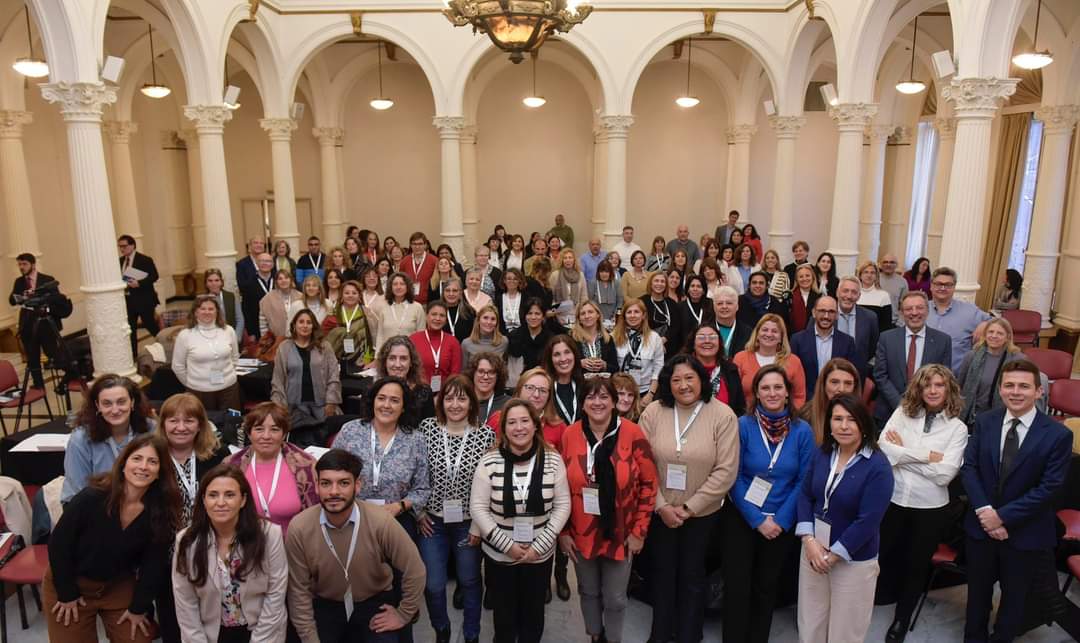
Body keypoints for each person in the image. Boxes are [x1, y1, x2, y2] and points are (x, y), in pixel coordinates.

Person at [960, 360, 1072, 642]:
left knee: (1014, 601)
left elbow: (1050, 488)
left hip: (1025, 533)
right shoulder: (985, 422)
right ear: (1000, 389)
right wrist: (986, 512)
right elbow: (969, 468)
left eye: (1024, 386)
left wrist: (1003, 517)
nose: (1016, 392)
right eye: (1009, 385)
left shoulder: (1058, 434)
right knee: (977, 597)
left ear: (1039, 392)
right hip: (981, 529)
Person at [639, 354, 739, 643]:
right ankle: (660, 633)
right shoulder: (654, 413)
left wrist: (687, 508)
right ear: (667, 384)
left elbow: (726, 470)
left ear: (702, 380)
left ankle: (689, 634)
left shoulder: (722, 415)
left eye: (689, 378)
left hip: (702, 515)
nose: (683, 385)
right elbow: (641, 464)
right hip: (661, 512)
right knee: (662, 574)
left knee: (693, 577)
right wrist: (661, 506)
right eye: (676, 379)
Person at [44, 433, 181, 643]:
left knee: (137, 638)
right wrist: (67, 593)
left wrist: (138, 608)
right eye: (137, 458)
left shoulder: (160, 511)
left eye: (152, 461)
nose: (143, 466)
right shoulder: (92, 497)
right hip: (71, 581)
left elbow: (153, 564)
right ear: (123, 463)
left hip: (116, 586)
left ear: (160, 472)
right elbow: (58, 545)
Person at [285, 449, 426, 642]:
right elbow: (298, 591)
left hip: (373, 602)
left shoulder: (381, 521)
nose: (334, 491)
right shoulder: (300, 527)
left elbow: (415, 569)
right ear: (316, 486)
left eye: (343, 483)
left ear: (357, 486)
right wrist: (310, 639)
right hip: (327, 605)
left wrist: (403, 614)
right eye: (326, 483)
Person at [559, 377, 658, 643]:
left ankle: (613, 638)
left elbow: (650, 483)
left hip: (621, 532)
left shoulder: (633, 433)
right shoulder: (570, 435)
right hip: (581, 531)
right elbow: (560, 489)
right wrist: (564, 532)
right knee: (588, 590)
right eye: (590, 397)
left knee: (614, 597)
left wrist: (639, 531)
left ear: (615, 402)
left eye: (604, 396)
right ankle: (594, 635)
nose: (597, 402)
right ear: (582, 404)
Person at [723, 366, 815, 643]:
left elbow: (804, 481)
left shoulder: (802, 431)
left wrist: (780, 521)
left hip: (781, 521)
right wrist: (757, 519)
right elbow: (733, 475)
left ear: (787, 392)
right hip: (742, 516)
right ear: (756, 394)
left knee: (766, 587)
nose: (772, 393)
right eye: (766, 388)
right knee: (738, 586)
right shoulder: (743, 426)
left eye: (778, 387)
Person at [876, 364, 968, 641]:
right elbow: (884, 448)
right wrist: (928, 455)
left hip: (930, 508)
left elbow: (944, 475)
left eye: (939, 385)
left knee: (916, 566)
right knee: (881, 556)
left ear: (948, 389)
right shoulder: (902, 413)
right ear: (919, 387)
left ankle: (901, 621)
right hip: (893, 500)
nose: (932, 390)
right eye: (927, 385)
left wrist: (902, 453)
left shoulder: (958, 428)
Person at [469, 399, 571, 643]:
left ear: (536, 425)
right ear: (503, 429)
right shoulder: (489, 461)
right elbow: (479, 508)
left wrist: (539, 546)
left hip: (540, 555)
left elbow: (563, 505)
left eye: (525, 421)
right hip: (500, 556)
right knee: (503, 620)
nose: (519, 427)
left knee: (533, 617)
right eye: (511, 422)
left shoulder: (553, 460)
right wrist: (508, 546)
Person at [795, 394, 893, 643]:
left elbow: (868, 520)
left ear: (863, 423)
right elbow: (805, 495)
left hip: (853, 563)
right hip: (813, 553)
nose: (844, 426)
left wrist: (834, 555)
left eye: (851, 419)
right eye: (837, 419)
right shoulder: (822, 453)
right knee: (811, 624)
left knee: (845, 633)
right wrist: (809, 541)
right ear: (828, 423)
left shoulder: (878, 466)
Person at [171, 465, 288, 643]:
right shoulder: (187, 541)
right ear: (203, 500)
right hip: (211, 634)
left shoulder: (269, 534)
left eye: (230, 495)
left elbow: (275, 594)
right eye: (213, 495)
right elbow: (186, 604)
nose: (220, 502)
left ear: (243, 500)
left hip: (261, 631)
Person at [418, 376, 495, 643]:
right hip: (432, 522)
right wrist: (418, 512)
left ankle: (472, 634)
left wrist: (478, 524)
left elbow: (491, 485)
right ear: (440, 401)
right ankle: (442, 629)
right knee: (433, 584)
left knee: (470, 581)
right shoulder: (426, 428)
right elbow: (416, 474)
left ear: (471, 402)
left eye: (462, 398)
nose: (455, 404)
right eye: (449, 397)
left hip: (468, 523)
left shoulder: (485, 434)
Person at [334, 377, 431, 539]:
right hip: (352, 515)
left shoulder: (416, 440)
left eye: (394, 400)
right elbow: (332, 472)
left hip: (396, 518)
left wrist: (399, 506)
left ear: (404, 407)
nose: (386, 405)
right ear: (373, 402)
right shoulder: (350, 431)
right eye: (381, 398)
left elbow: (422, 489)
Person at [226, 402, 320, 531]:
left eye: (274, 429)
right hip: (244, 544)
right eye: (259, 429)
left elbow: (316, 516)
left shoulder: (306, 465)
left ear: (284, 434)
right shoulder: (231, 465)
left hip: (292, 546)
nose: (266, 436)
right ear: (249, 433)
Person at [62, 374, 154, 503]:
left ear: (132, 402)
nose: (115, 410)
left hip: (142, 505)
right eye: (107, 404)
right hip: (96, 509)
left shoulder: (151, 430)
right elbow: (77, 494)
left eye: (121, 402)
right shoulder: (81, 439)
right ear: (97, 405)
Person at [873, 291, 953, 425]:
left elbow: (944, 379)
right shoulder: (887, 338)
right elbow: (880, 375)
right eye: (909, 309)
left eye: (919, 308)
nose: (914, 313)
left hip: (928, 413)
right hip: (890, 412)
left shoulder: (943, 341)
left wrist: (921, 405)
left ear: (927, 311)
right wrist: (901, 405)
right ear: (901, 312)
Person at [272, 308, 342, 431]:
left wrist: (331, 402)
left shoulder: (324, 347)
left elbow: (334, 375)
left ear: (313, 326)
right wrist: (280, 407)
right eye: (301, 322)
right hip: (294, 408)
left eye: (309, 322)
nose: (305, 326)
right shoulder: (284, 347)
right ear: (294, 325)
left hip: (322, 406)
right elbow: (278, 380)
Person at [957, 317, 1032, 426]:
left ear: (1008, 337)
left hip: (1004, 417)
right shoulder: (972, 356)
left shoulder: (1018, 359)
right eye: (991, 332)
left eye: (1000, 333)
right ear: (985, 334)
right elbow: (960, 386)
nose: (994, 336)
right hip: (971, 416)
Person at [172, 295, 241, 412]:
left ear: (217, 312)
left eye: (211, 309)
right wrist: (192, 383)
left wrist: (228, 376)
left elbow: (235, 357)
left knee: (232, 423)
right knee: (204, 427)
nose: (207, 312)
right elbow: (177, 366)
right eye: (203, 309)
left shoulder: (228, 330)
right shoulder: (185, 335)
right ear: (195, 312)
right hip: (199, 392)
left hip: (229, 389)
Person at [9, 252, 62, 389]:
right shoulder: (19, 282)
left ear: (33, 264)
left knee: (53, 352)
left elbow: (56, 298)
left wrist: (39, 296)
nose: (21, 267)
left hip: (45, 323)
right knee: (32, 357)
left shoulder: (47, 279)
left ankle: (67, 377)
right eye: (19, 264)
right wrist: (21, 296)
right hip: (28, 324)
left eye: (24, 264)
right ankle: (38, 385)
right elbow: (11, 300)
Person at [732, 314, 808, 409]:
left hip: (783, 420)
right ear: (757, 334)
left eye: (774, 331)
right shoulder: (741, 358)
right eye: (765, 330)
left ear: (781, 337)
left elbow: (799, 396)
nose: (769, 334)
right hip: (748, 418)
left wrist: (789, 418)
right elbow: (733, 393)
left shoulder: (793, 361)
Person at [789, 296, 862, 394]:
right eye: (822, 311)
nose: (826, 316)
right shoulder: (797, 340)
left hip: (837, 399)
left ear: (836, 315)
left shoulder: (847, 342)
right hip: (806, 401)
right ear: (814, 313)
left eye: (831, 312)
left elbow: (852, 376)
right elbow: (792, 376)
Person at [926, 266, 993, 371]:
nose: (943, 288)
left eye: (948, 285)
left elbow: (1000, 323)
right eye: (938, 284)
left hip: (955, 379)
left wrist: (985, 324)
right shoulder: (920, 309)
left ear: (954, 287)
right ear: (931, 286)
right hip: (922, 376)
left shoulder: (969, 312)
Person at [684, 323, 746, 415]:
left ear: (719, 343)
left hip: (724, 426)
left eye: (712, 337)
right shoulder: (681, 368)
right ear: (693, 343)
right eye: (701, 337)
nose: (707, 341)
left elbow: (739, 408)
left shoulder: (730, 370)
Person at [800, 358, 862, 445]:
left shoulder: (862, 418)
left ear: (855, 387)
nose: (841, 389)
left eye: (848, 383)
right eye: (834, 382)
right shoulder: (806, 416)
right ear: (824, 384)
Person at [613, 299, 664, 402]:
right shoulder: (614, 337)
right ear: (624, 316)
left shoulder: (654, 338)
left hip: (645, 392)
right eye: (629, 312)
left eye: (636, 312)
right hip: (619, 392)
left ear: (643, 315)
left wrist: (651, 394)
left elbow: (658, 368)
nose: (632, 315)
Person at [375, 336, 437, 420]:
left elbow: (429, 428)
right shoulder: (374, 390)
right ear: (385, 362)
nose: (397, 364)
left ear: (411, 362)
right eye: (392, 358)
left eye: (403, 359)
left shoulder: (424, 393)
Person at [118, 234, 160, 355]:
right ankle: (133, 355)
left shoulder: (145, 259)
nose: (122, 249)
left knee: (149, 324)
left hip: (143, 299)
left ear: (132, 246)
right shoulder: (120, 261)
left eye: (124, 246)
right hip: (128, 300)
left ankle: (165, 344)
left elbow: (154, 276)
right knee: (130, 329)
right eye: (120, 246)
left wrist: (139, 283)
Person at [410, 300, 463, 392]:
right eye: (434, 314)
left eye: (442, 315)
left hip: (444, 394)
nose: (437, 318)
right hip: (417, 392)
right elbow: (409, 370)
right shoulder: (413, 339)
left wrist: (444, 394)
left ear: (446, 320)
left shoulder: (453, 342)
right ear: (426, 317)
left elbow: (455, 374)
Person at [835, 275, 881, 372]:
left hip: (858, 374)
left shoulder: (870, 317)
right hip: (830, 371)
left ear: (859, 296)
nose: (849, 296)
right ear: (837, 293)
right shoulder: (825, 314)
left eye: (854, 292)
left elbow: (872, 347)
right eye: (845, 291)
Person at [323, 279, 374, 365]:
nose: (350, 295)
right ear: (342, 296)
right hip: (335, 360)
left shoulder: (367, 313)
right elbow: (325, 337)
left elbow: (371, 339)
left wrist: (367, 360)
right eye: (347, 293)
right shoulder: (333, 313)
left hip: (361, 361)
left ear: (359, 296)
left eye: (354, 293)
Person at [374, 272, 426, 351]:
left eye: (402, 284)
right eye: (395, 284)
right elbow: (380, 335)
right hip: (388, 355)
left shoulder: (417, 307)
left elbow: (421, 336)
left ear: (407, 287)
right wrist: (377, 356)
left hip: (409, 355)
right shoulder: (384, 307)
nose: (398, 287)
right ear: (390, 287)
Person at [570, 301, 619, 377]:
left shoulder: (607, 339)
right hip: (581, 385)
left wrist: (604, 365)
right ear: (579, 319)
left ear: (598, 315)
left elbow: (616, 368)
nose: (587, 316)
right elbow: (564, 366)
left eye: (590, 312)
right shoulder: (572, 339)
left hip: (603, 386)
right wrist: (579, 364)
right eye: (583, 313)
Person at [640, 272, 681, 356]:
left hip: (668, 345)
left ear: (666, 285)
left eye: (662, 281)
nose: (659, 284)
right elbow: (639, 324)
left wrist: (664, 339)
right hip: (646, 344)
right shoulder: (642, 302)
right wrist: (656, 342)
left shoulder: (672, 303)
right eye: (656, 281)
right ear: (651, 284)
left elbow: (676, 326)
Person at [508, 298, 554, 373]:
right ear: (525, 316)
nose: (533, 317)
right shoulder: (514, 336)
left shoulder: (551, 339)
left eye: (537, 314)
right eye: (529, 313)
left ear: (543, 316)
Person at [258, 269, 303, 340]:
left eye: (286, 278)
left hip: (298, 338)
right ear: (276, 282)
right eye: (280, 278)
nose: (283, 280)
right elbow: (263, 322)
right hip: (276, 341)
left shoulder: (300, 297)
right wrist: (265, 338)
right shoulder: (267, 299)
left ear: (291, 280)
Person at [239, 253, 274, 341]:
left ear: (272, 264)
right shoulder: (249, 284)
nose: (265, 263)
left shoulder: (279, 281)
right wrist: (251, 332)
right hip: (257, 327)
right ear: (257, 264)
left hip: (277, 327)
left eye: (268, 261)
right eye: (262, 261)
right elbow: (246, 309)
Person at [467, 352, 510, 425]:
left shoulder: (508, 404)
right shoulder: (462, 401)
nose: (485, 377)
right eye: (481, 371)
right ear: (473, 373)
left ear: (498, 376)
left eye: (491, 372)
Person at [204, 268, 244, 346]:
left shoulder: (231, 296)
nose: (213, 283)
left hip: (230, 337)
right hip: (209, 339)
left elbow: (240, 319)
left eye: (216, 280)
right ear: (206, 283)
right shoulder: (201, 299)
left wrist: (236, 338)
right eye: (210, 281)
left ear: (221, 282)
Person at [711, 285, 753, 360]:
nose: (724, 306)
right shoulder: (703, 330)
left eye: (729, 303)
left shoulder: (748, 333)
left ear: (737, 306)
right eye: (720, 303)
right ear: (714, 307)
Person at [236, 238, 267, 339]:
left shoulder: (269, 262)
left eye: (261, 243)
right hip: (252, 307)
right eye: (256, 243)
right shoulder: (242, 264)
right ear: (250, 246)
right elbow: (242, 287)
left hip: (270, 308)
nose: (259, 245)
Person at [551, 249, 589, 327]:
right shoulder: (555, 275)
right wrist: (556, 315)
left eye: (570, 257)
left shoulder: (580, 275)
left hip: (577, 316)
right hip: (559, 316)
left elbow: (584, 297)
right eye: (565, 258)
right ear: (562, 260)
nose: (568, 260)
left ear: (574, 260)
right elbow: (551, 298)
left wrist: (581, 315)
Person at [399, 232, 438, 305]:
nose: (417, 247)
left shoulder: (434, 261)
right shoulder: (404, 261)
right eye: (414, 244)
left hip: (427, 303)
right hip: (408, 302)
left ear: (425, 245)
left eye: (420, 244)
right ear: (410, 245)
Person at [676, 275, 714, 348]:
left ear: (703, 290)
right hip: (686, 347)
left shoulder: (710, 304)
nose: (695, 289)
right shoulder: (680, 307)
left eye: (699, 286)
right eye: (692, 286)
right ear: (688, 289)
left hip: (706, 345)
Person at [855, 260, 893, 332]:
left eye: (872, 273)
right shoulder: (854, 294)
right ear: (860, 275)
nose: (869, 275)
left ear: (876, 276)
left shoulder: (884, 295)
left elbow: (886, 325)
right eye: (866, 272)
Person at [789, 263, 821, 334]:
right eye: (801, 276)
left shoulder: (820, 297)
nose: (804, 279)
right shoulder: (789, 296)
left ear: (813, 277)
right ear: (796, 279)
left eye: (807, 276)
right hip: (793, 336)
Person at [441, 277, 475, 342]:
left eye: (455, 291)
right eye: (447, 290)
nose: (451, 294)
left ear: (461, 293)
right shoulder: (437, 311)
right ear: (443, 292)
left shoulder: (470, 312)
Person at [495, 268, 527, 336]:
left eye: (515, 279)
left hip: (523, 335)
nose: (512, 281)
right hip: (503, 335)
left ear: (519, 281)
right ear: (504, 281)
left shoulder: (526, 298)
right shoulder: (498, 299)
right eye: (509, 279)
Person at [878, 254, 908, 325]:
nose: (888, 264)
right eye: (885, 262)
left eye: (892, 262)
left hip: (893, 322)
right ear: (880, 264)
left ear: (896, 265)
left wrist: (900, 322)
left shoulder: (902, 282)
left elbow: (904, 305)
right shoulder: (874, 279)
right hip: (874, 321)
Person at [590, 261, 623, 327]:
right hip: (597, 318)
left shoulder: (616, 283)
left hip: (613, 319)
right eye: (601, 272)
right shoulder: (593, 283)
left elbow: (620, 301)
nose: (604, 274)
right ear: (598, 272)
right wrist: (597, 316)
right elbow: (590, 301)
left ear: (610, 272)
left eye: (606, 272)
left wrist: (615, 316)